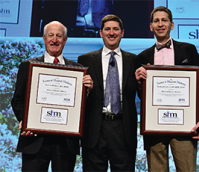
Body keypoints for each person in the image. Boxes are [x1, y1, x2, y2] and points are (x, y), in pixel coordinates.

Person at [135, 6, 199, 172]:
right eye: (156, 21)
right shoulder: (142, 57)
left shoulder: (188, 50)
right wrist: (139, 83)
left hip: (185, 125)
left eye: (164, 20)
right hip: (154, 126)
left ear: (172, 25)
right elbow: (142, 96)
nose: (160, 24)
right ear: (150, 26)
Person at [11, 21, 93, 171]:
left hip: (65, 143)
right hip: (33, 139)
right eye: (50, 35)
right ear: (44, 38)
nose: (54, 40)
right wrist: (25, 120)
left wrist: (87, 92)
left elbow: (84, 109)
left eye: (59, 36)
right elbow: (17, 99)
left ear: (65, 40)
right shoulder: (28, 66)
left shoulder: (78, 71)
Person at [78, 14, 138, 171]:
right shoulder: (85, 60)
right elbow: (77, 98)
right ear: (101, 33)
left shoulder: (134, 61)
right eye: (107, 29)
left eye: (115, 29)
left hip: (123, 130)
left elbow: (143, 94)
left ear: (122, 33)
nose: (111, 33)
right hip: (94, 130)